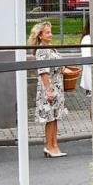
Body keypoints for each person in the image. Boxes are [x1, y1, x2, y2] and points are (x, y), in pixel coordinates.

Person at [30, 21, 68, 158]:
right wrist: (49, 90)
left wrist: (63, 68)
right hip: (49, 87)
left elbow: (58, 65)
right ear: (40, 35)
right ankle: (49, 146)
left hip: (57, 86)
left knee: (55, 117)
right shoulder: (42, 50)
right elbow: (43, 72)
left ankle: (54, 145)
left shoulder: (51, 48)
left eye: (50, 32)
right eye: (47, 32)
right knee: (50, 118)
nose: (50, 34)